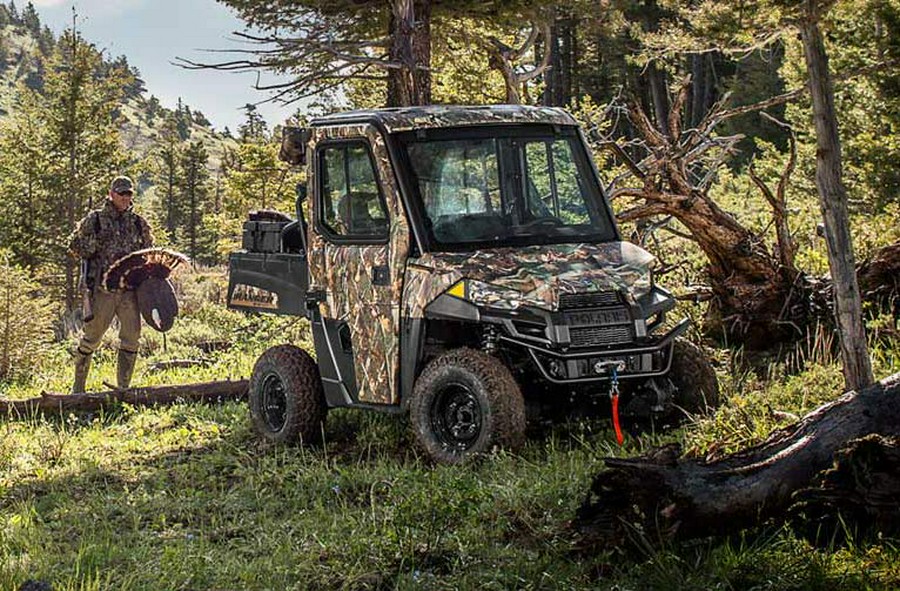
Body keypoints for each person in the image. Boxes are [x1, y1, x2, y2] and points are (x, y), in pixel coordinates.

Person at [67, 175, 153, 393]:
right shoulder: (95, 220)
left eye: (129, 193)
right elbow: (75, 246)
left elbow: (149, 254)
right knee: (91, 339)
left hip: (129, 292)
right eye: (121, 193)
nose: (125, 197)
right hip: (103, 291)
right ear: (111, 194)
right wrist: (95, 243)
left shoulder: (138, 223)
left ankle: (123, 389)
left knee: (131, 339)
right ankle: (78, 390)